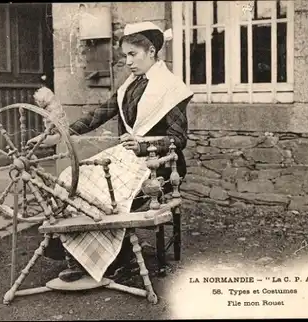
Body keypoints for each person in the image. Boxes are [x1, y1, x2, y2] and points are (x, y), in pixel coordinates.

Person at [29, 21, 194, 283]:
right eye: (125, 56)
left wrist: (142, 145)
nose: (128, 62)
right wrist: (60, 134)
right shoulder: (130, 84)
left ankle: (116, 258)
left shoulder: (171, 88)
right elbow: (99, 114)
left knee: (101, 191)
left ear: (151, 51)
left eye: (133, 54)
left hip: (159, 165)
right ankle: (85, 256)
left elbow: (178, 139)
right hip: (129, 157)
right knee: (72, 176)